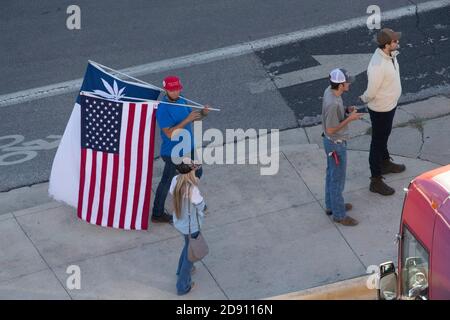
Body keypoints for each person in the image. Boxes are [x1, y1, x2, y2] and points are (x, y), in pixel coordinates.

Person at [152, 76, 210, 223]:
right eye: (172, 90)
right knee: (167, 181)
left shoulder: (182, 99)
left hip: (187, 146)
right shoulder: (163, 108)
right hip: (173, 151)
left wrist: (202, 114)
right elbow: (169, 133)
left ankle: (185, 194)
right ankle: (157, 213)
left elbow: (193, 118)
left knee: (197, 171)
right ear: (165, 90)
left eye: (177, 88)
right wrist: (187, 120)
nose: (176, 92)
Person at [360, 28, 406, 196]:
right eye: (395, 41)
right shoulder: (377, 65)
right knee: (377, 142)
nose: (397, 43)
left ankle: (385, 163)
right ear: (387, 45)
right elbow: (371, 92)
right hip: (380, 110)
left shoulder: (389, 56)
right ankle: (376, 180)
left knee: (383, 136)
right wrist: (364, 98)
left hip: (389, 105)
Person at [322, 68, 363, 226]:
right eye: (347, 82)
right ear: (340, 85)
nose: (349, 84)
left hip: (329, 143)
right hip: (335, 144)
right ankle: (339, 215)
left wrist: (346, 111)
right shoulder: (333, 104)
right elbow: (331, 129)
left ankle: (331, 205)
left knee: (331, 175)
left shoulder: (329, 91)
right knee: (337, 180)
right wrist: (350, 119)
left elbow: (333, 119)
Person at [169, 158, 206, 295]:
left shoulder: (175, 181)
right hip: (192, 226)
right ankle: (182, 286)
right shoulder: (192, 189)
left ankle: (180, 269)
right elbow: (201, 205)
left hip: (180, 222)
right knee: (191, 255)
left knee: (187, 246)